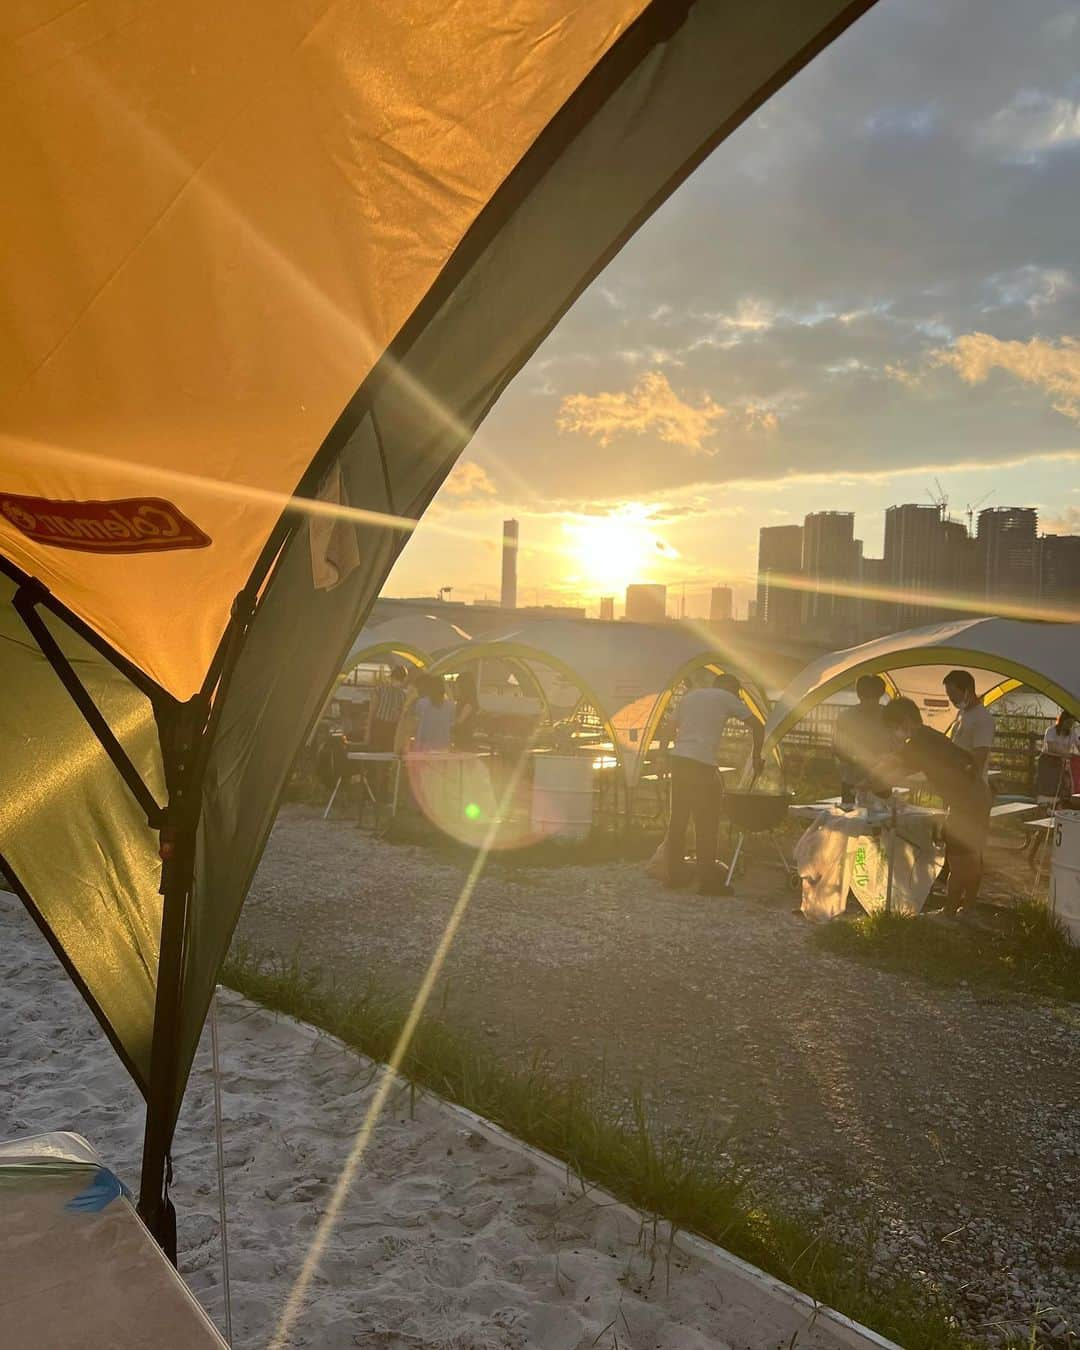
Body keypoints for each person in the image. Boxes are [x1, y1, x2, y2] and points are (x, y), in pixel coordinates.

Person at [870, 697, 992, 916]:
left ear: (905, 721)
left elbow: (894, 767)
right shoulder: (931, 737)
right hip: (979, 795)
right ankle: (968, 909)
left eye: (894, 727)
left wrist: (869, 779)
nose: (895, 733)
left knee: (959, 862)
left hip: (965, 803)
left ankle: (950, 912)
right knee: (972, 858)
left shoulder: (919, 742)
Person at [664, 673, 764, 895]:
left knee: (678, 820)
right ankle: (708, 882)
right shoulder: (726, 696)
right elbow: (758, 726)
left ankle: (674, 876)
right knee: (707, 821)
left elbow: (669, 728)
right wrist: (756, 757)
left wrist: (664, 756)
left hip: (679, 761)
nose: (737, 698)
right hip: (701, 765)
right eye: (737, 693)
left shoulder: (690, 697)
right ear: (730, 688)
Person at [833, 674, 889, 806]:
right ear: (859, 695)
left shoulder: (888, 716)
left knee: (880, 820)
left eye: (874, 697)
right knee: (851, 819)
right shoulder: (846, 717)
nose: (870, 701)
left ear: (880, 695)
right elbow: (837, 748)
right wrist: (856, 760)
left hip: (879, 780)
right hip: (855, 780)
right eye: (867, 697)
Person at [944, 670, 994, 781]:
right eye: (948, 695)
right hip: (955, 782)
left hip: (971, 788)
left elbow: (979, 760)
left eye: (953, 694)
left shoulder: (982, 718)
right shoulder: (962, 713)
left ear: (968, 690)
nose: (951, 699)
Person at [406, 673, 455, 751]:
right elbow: (452, 722)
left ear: (429, 688)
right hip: (443, 747)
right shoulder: (450, 705)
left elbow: (414, 721)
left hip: (423, 746)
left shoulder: (422, 703)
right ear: (443, 689)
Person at [452, 671, 480, 750]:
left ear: (463, 686)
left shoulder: (469, 702)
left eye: (457, 686)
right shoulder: (465, 701)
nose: (455, 688)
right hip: (462, 738)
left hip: (465, 740)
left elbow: (460, 721)